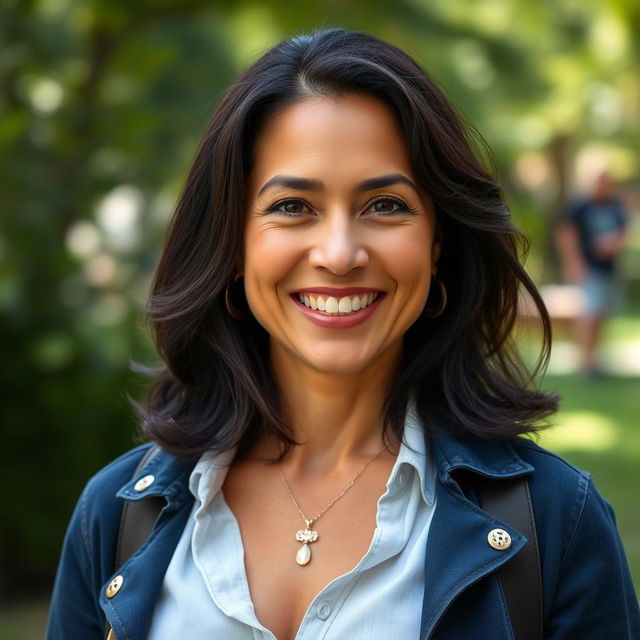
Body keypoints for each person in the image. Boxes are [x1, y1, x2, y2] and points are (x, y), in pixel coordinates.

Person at [46, 29, 639, 640]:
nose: (338, 253)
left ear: (437, 244)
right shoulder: (116, 516)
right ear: (233, 245)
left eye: (384, 205)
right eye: (291, 206)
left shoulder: (556, 524)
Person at [555, 169, 629, 377]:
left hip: (609, 270)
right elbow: (565, 235)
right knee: (589, 314)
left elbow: (625, 233)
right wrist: (574, 264)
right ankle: (586, 363)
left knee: (602, 315)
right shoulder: (581, 207)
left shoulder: (615, 206)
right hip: (588, 270)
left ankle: (594, 359)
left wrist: (614, 243)